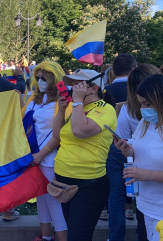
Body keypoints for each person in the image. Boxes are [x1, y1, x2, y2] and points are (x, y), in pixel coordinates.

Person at [53, 69, 117, 241]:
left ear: (94, 88)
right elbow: (58, 136)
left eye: (78, 84)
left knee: (77, 237)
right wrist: (61, 110)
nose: (73, 88)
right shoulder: (79, 108)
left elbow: (81, 130)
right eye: (72, 84)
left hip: (88, 183)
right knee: (73, 232)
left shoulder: (105, 109)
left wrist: (77, 102)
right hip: (64, 180)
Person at [114, 63, 162, 241]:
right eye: (141, 104)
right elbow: (133, 152)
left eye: (147, 104)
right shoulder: (146, 123)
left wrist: (145, 174)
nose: (143, 109)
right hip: (145, 205)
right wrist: (126, 149)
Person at [23, 61, 68, 241]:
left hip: (50, 159)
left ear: (54, 78)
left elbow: (60, 134)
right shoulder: (33, 100)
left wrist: (41, 155)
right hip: (33, 158)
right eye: (38, 77)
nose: (40, 81)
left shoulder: (63, 102)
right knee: (40, 199)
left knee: (53, 202)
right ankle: (46, 237)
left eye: (44, 78)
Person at [102, 54, 138, 240]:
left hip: (115, 146)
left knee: (115, 195)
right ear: (133, 68)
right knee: (142, 192)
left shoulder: (106, 90)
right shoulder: (143, 86)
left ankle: (115, 237)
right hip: (142, 148)